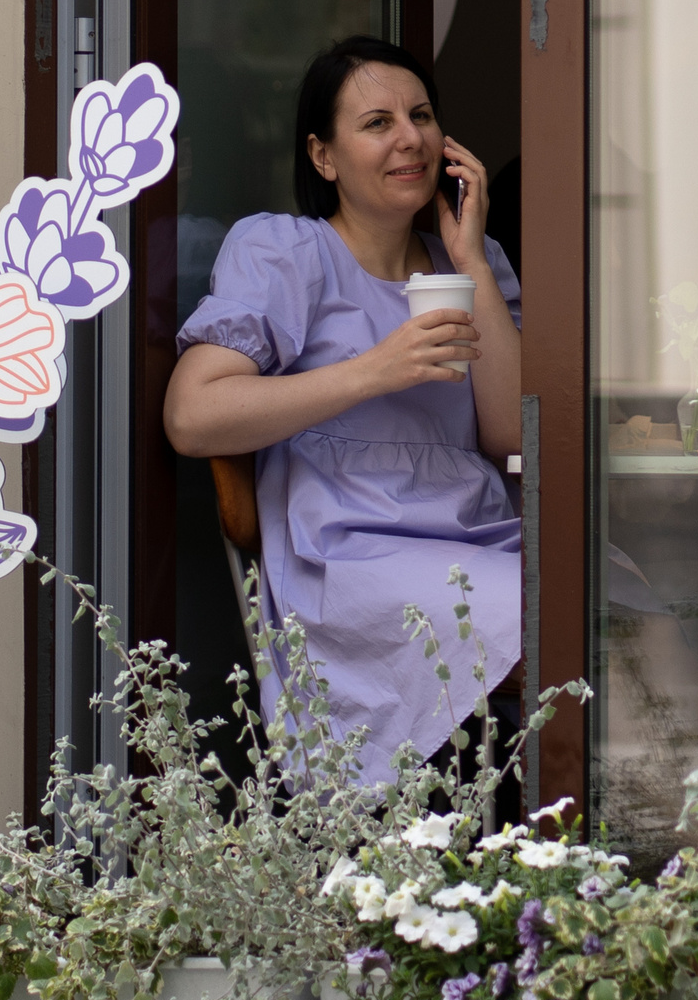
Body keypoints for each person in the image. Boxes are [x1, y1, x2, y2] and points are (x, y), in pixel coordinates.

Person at [167, 38, 522, 776]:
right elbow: (192, 415)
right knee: (545, 622)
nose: (410, 138)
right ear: (323, 156)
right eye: (377, 122)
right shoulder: (287, 253)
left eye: (421, 116)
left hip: (480, 536)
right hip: (352, 556)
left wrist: (472, 264)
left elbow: (514, 436)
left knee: (628, 607)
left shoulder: (467, 263)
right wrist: (374, 371)